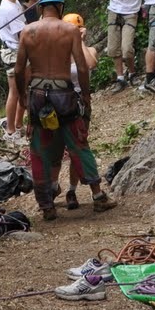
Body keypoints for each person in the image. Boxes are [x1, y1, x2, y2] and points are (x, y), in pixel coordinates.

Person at [15, 0, 115, 222]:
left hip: (38, 95)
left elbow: (19, 70)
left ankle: (47, 206)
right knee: (78, 143)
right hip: (64, 94)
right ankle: (98, 196)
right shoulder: (70, 30)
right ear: (60, 7)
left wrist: (22, 97)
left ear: (40, 7)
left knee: (39, 150)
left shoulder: (27, 31)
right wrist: (86, 96)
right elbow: (82, 67)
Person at [58, 12, 99, 210]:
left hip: (80, 105)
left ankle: (72, 190)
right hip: (61, 102)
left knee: (78, 147)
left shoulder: (89, 49)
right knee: (59, 148)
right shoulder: (59, 52)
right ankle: (53, 188)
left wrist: (79, 40)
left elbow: (90, 64)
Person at [98, 0, 142, 93]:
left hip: (130, 11)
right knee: (113, 48)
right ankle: (120, 78)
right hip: (114, 10)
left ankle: (132, 73)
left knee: (127, 48)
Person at [0, 0, 27, 137]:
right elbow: (22, 34)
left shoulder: (15, 3)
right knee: (15, 91)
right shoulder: (9, 8)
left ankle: (18, 124)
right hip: (13, 52)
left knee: (23, 90)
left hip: (18, 50)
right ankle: (10, 131)